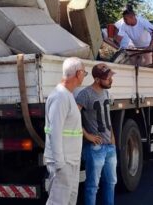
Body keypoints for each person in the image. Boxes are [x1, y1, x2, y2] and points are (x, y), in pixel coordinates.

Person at [44, 57, 87, 205]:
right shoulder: (60, 96)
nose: (84, 76)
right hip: (64, 162)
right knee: (58, 202)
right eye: (84, 73)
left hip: (71, 160)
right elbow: (54, 132)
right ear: (78, 73)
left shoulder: (67, 95)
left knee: (69, 201)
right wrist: (60, 164)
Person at [76, 63, 117, 205]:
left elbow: (107, 117)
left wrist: (113, 137)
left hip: (109, 147)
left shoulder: (106, 92)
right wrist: (87, 136)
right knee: (92, 187)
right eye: (107, 78)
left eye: (110, 76)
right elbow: (72, 117)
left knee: (111, 183)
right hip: (95, 148)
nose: (111, 80)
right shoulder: (85, 94)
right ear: (97, 79)